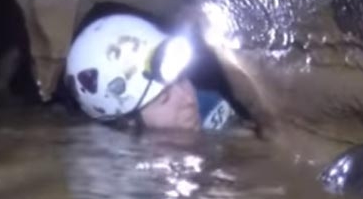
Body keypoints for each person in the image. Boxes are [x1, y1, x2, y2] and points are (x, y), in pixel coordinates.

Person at [62, 12, 241, 132]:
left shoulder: (209, 107)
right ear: (129, 123)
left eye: (181, 79)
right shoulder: (116, 172)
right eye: (165, 98)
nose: (189, 99)